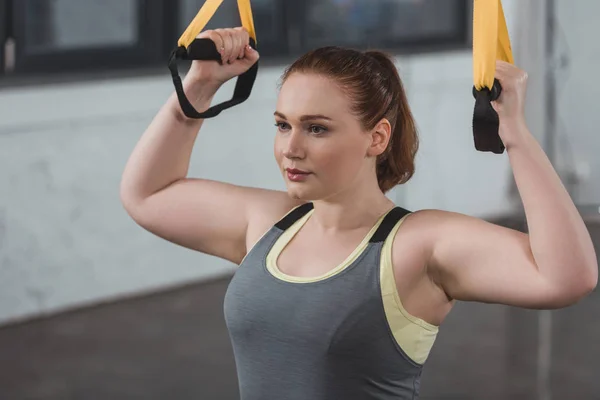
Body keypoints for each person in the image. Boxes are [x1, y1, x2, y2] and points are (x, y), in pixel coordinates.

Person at [120, 27, 598, 399]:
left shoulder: (416, 245)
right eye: (282, 125)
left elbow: (566, 277)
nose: (291, 148)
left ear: (377, 138)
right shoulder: (269, 223)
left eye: (317, 129)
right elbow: (148, 193)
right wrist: (199, 87)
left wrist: (513, 131)